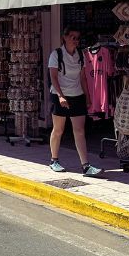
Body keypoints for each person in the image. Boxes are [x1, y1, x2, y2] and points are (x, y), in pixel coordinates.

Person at [47, 27, 103, 177]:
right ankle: (54, 160)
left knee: (79, 131)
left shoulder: (80, 55)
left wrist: (87, 96)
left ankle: (86, 166)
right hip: (61, 95)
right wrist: (60, 96)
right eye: (72, 37)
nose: (75, 40)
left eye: (77, 37)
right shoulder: (56, 54)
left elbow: (83, 77)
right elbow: (53, 77)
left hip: (77, 95)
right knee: (58, 130)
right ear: (64, 37)